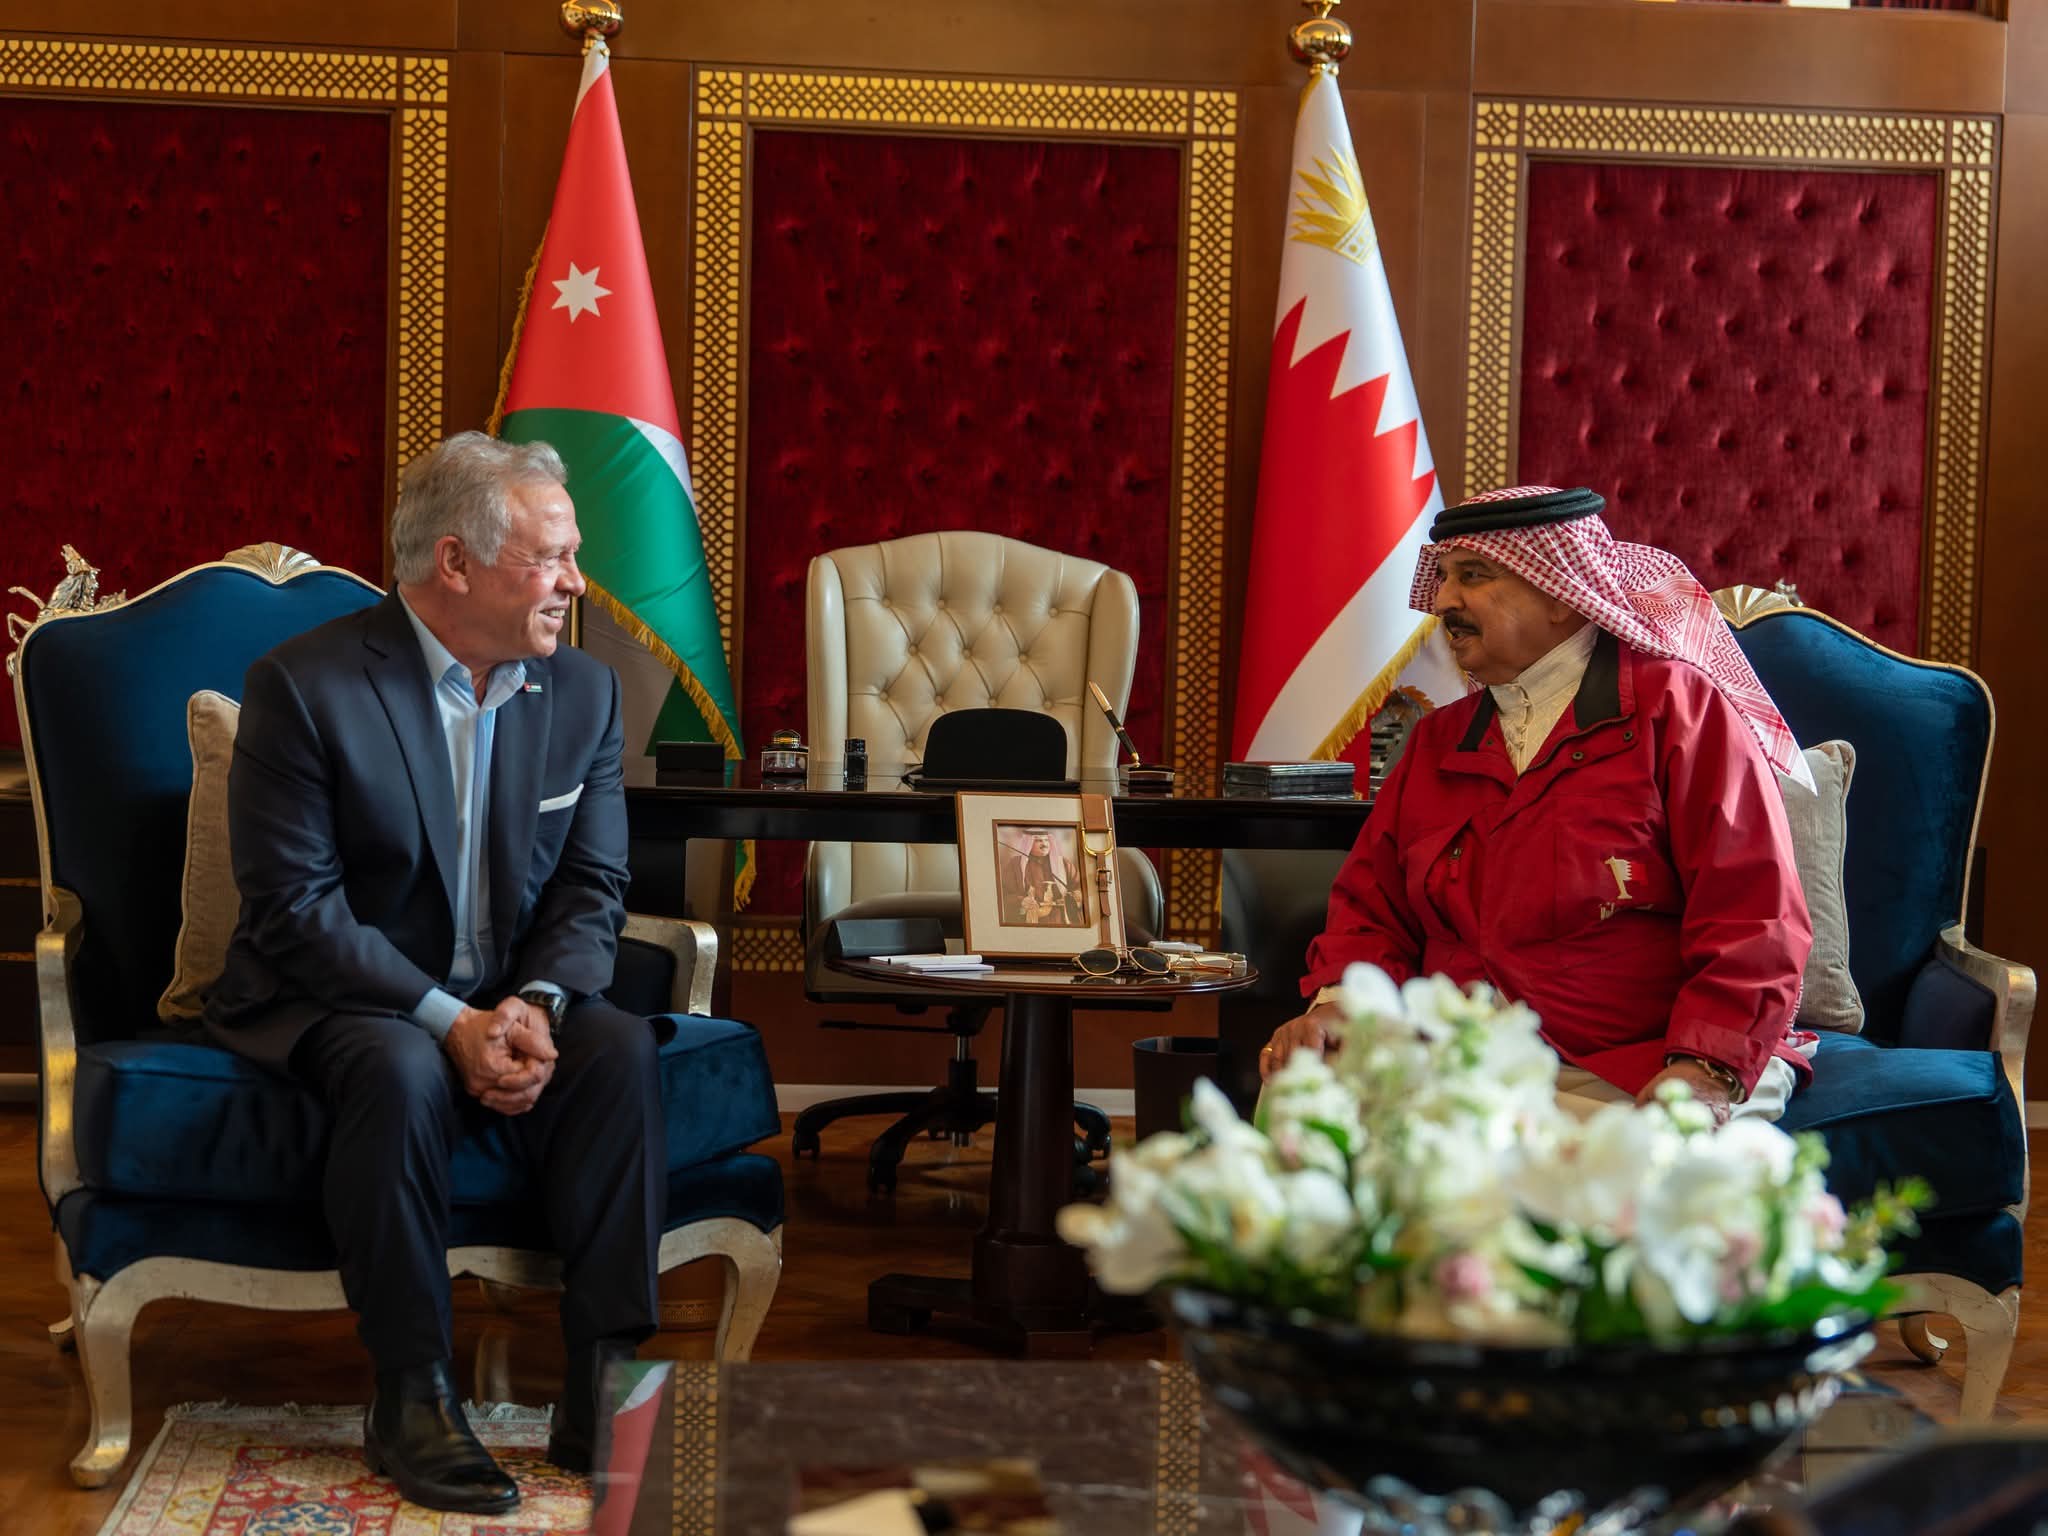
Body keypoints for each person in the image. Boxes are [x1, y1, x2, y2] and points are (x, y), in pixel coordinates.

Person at [205, 432, 665, 1515]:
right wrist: (449, 1020)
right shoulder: (305, 686)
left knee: (617, 1050)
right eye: (550, 558)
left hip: (508, 989)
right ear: (455, 563)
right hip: (340, 993)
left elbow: (591, 885)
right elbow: (295, 910)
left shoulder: (584, 693)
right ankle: (412, 1396)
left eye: (574, 556)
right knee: (401, 1068)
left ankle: (604, 1389)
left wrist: (537, 1006)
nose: (576, 583)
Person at [1261, 485, 1815, 1125]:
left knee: (1619, 1168)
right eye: (1444, 577)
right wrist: (1337, 1003)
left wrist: (1704, 1065)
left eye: (1473, 576)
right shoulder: (1440, 740)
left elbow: (1753, 913)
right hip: (1460, 1059)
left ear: (1559, 594)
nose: (1443, 601)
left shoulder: (1677, 709)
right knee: (1299, 1107)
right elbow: (1371, 908)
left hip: (1641, 1061)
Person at [1001, 829, 1084, 925]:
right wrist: (1021, 901)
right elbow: (1003, 895)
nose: (1044, 844)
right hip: (1028, 923)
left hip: (1061, 921)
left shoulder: (1063, 863)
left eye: (1046, 840)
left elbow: (1079, 888)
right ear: (1028, 843)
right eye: (1038, 840)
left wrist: (1075, 896)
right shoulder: (1015, 865)